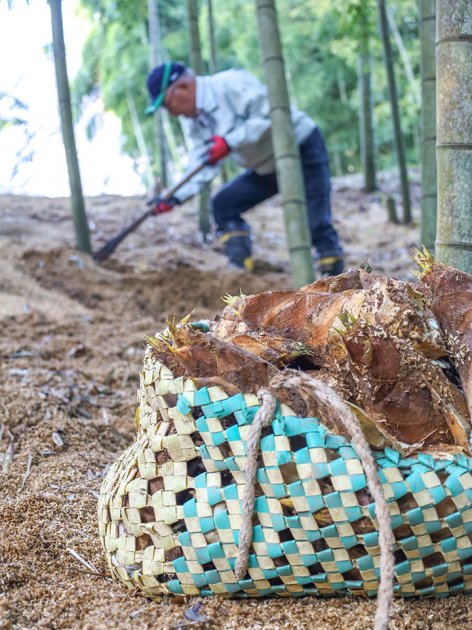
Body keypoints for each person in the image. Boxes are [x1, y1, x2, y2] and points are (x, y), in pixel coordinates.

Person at [145, 61, 344, 276]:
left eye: (166, 104)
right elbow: (201, 163)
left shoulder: (230, 84)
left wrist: (230, 142)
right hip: (265, 167)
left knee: (316, 224)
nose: (171, 114)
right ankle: (240, 269)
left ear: (182, 88)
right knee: (223, 204)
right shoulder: (194, 122)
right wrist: (174, 197)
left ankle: (333, 276)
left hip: (300, 149)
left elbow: (270, 115)